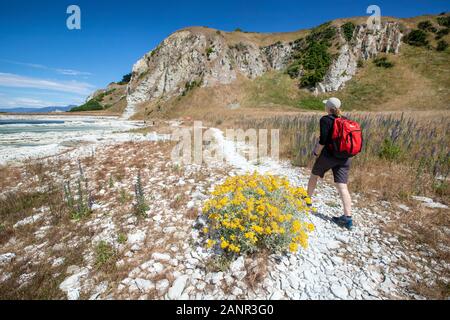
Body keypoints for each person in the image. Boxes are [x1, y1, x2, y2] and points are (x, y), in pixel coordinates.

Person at [307, 97, 353, 230]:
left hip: (329, 155)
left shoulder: (325, 119)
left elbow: (323, 140)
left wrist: (316, 152)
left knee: (314, 175)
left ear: (328, 107)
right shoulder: (345, 119)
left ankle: (307, 200)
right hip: (344, 157)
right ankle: (348, 218)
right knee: (343, 186)